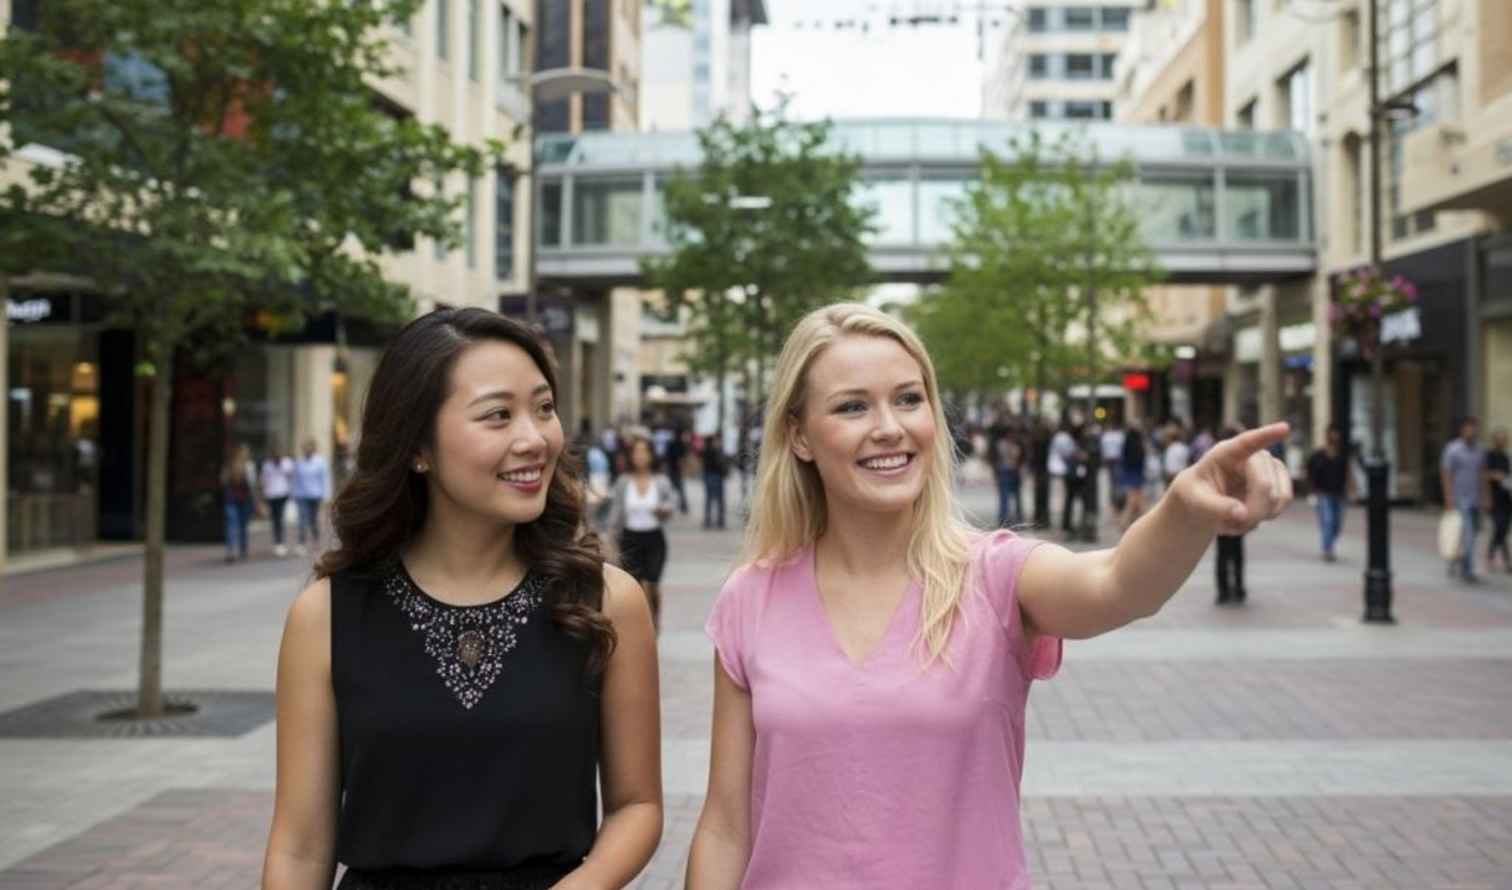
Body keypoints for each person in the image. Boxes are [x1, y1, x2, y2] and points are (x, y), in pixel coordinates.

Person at [685, 303, 1292, 890]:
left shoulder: (997, 576)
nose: (890, 427)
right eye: (851, 407)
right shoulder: (751, 599)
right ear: (799, 437)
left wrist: (1186, 507)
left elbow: (1118, 585)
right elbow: (725, 826)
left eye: (908, 398)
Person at [261, 308, 661, 890]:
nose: (534, 438)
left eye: (544, 408)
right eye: (498, 415)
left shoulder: (605, 600)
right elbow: (299, 848)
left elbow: (637, 807)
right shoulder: (325, 616)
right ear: (417, 445)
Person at [606, 436, 677, 628]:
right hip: (630, 539)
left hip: (654, 539)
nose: (640, 456)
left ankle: (655, 623)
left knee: (651, 585)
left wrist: (663, 510)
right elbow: (616, 513)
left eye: (644, 451)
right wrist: (610, 540)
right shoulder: (623, 482)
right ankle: (640, 628)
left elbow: (671, 505)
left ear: (651, 455)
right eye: (636, 452)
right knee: (635, 588)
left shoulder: (660, 481)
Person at [1441, 416, 1487, 583]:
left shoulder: (1479, 450)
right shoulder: (1452, 449)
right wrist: (1448, 498)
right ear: (1462, 429)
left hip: (1475, 499)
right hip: (1460, 499)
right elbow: (1446, 474)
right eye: (1469, 428)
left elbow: (1482, 475)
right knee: (1467, 535)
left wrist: (1485, 498)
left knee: (1472, 534)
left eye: (1474, 428)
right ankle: (1467, 570)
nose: (1472, 431)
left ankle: (1456, 558)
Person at [1307, 424, 1353, 562]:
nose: (1335, 436)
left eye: (1336, 433)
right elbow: (1309, 472)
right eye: (1332, 433)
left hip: (1340, 494)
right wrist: (1312, 490)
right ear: (1327, 435)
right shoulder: (1318, 455)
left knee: (1337, 525)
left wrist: (1352, 489)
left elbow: (1348, 473)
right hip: (1323, 494)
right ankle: (1328, 550)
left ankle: (1329, 544)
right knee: (1328, 521)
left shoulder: (1342, 455)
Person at [1213, 425, 1248, 605]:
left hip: (1221, 512)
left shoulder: (1215, 460)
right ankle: (1238, 588)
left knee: (1223, 553)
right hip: (1236, 511)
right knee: (1236, 552)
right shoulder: (1240, 461)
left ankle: (1223, 591)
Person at [292, 437, 331, 557]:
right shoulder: (299, 462)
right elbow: (296, 479)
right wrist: (293, 494)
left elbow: (325, 479)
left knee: (313, 520)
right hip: (301, 495)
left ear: (313, 449)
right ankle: (301, 543)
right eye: (304, 448)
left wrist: (327, 495)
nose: (306, 450)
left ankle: (316, 540)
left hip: (315, 495)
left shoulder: (320, 462)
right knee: (302, 520)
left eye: (309, 448)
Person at [222, 444, 257, 564]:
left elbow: (252, 485)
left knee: (242, 526)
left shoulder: (249, 466)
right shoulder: (230, 465)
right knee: (232, 525)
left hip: (244, 500)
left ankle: (242, 549)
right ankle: (231, 551)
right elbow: (224, 480)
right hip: (232, 500)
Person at [261, 444, 296, 558]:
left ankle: (280, 542)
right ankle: (277, 542)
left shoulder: (287, 463)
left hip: (283, 494)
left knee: (279, 518)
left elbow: (292, 477)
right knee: (275, 519)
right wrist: (264, 495)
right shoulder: (267, 465)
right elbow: (264, 480)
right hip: (271, 494)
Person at [991, 422, 1025, 528]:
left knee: (1017, 497)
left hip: (1014, 472)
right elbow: (995, 459)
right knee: (1004, 497)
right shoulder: (1000, 444)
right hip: (1004, 471)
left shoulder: (1018, 445)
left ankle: (1018, 519)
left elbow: (1022, 458)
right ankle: (1004, 520)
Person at [1487, 429, 1512, 573]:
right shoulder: (1489, 455)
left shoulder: (1506, 457)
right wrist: (1495, 475)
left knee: (1503, 530)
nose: (1503, 441)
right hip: (1494, 498)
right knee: (1499, 528)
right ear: (1495, 440)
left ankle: (1501, 559)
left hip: (1507, 498)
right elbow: (1484, 474)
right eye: (1500, 439)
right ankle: (1503, 560)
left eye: (1505, 439)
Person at [1118, 420, 1149, 531]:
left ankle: (1130, 523)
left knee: (1137, 501)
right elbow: (1142, 459)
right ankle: (1125, 523)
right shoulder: (1138, 444)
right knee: (1134, 502)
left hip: (1130, 474)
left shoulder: (1127, 442)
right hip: (1136, 474)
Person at [702, 432, 729, 530]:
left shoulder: (705, 451)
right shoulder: (716, 451)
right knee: (719, 499)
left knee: (709, 499)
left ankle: (708, 520)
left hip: (708, 475)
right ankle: (720, 521)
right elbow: (720, 464)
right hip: (716, 476)